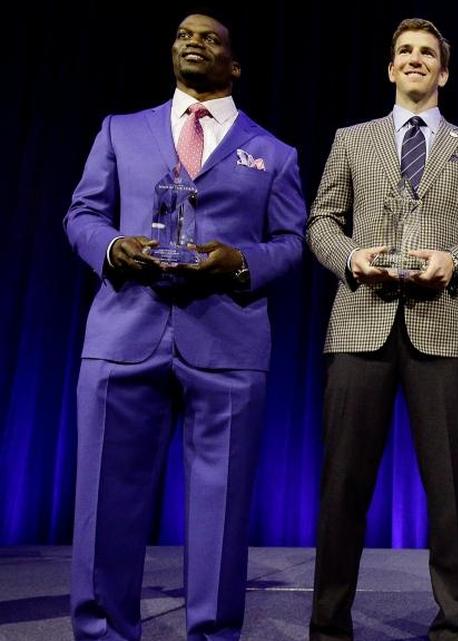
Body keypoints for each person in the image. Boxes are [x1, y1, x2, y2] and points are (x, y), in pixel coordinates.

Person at [63, 11, 307, 641]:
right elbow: (83, 213)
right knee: (104, 503)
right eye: (183, 35)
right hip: (124, 335)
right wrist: (116, 247)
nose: (194, 41)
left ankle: (212, 635)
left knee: (219, 510)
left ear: (234, 66)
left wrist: (242, 262)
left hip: (227, 342)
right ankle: (102, 632)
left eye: (211, 38)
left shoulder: (273, 154)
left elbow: (292, 241)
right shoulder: (121, 131)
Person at [306, 17, 458, 641]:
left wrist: (457, 264)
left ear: (443, 72)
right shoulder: (352, 140)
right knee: (343, 484)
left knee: (449, 489)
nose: (415, 59)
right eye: (404, 52)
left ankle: (454, 625)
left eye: (427, 53)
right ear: (391, 69)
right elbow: (321, 222)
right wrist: (350, 258)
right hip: (360, 325)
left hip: (441, 328)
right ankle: (329, 624)